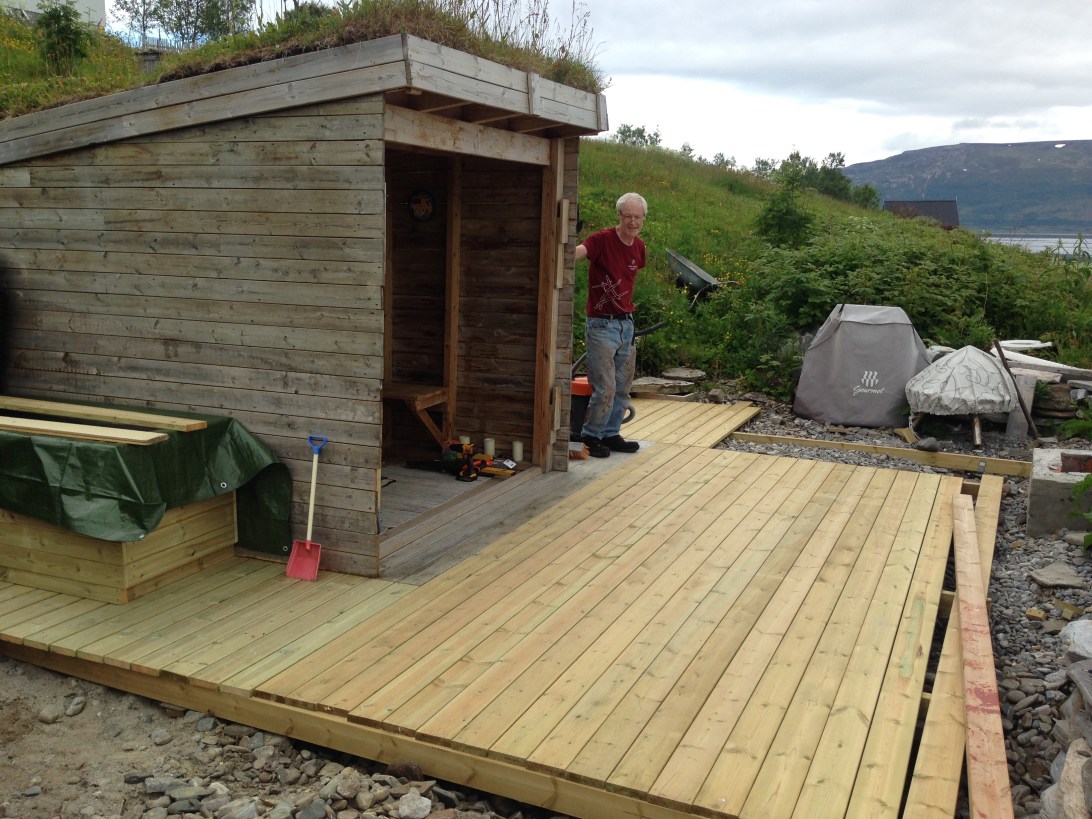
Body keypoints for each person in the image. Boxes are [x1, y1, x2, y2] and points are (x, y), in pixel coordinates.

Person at [573, 192, 647, 458]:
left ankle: (611, 433)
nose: (632, 222)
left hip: (626, 325)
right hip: (601, 325)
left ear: (643, 218)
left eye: (637, 217)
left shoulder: (639, 247)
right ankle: (591, 436)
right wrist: (565, 242)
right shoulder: (601, 240)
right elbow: (578, 253)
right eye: (627, 216)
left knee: (623, 387)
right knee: (605, 387)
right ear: (619, 215)